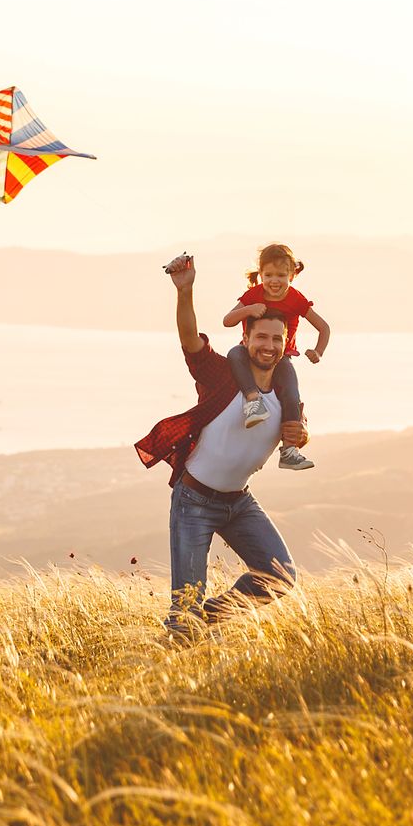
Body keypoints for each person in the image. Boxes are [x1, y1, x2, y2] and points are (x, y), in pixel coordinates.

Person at [135, 253, 308, 637]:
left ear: (286, 342)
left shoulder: (285, 386)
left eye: (277, 339)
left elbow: (297, 429)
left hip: (239, 503)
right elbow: (189, 340)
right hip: (194, 502)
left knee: (279, 576)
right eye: (261, 337)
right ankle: (181, 639)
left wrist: (301, 434)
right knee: (185, 606)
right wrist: (185, 291)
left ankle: (204, 624)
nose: (269, 345)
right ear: (245, 338)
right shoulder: (222, 374)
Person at [221, 243, 330, 471]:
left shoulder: (296, 299)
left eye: (281, 275)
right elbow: (228, 320)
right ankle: (253, 403)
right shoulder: (253, 295)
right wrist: (249, 309)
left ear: (292, 275)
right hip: (249, 350)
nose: (274, 280)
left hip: (281, 357)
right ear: (260, 275)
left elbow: (323, 327)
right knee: (234, 354)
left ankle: (289, 451)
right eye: (268, 274)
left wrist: (317, 351)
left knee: (291, 393)